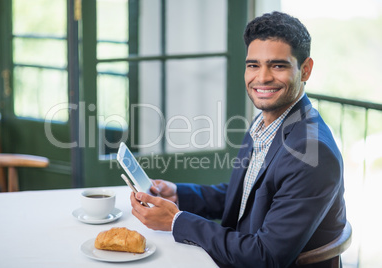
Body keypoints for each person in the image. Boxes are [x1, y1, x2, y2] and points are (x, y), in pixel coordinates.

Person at [130, 11, 346, 268]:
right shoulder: (266, 122)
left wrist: (177, 221)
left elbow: (265, 257)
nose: (262, 77)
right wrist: (179, 195)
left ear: (306, 69)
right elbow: (246, 197)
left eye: (278, 65)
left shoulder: (312, 154)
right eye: (253, 65)